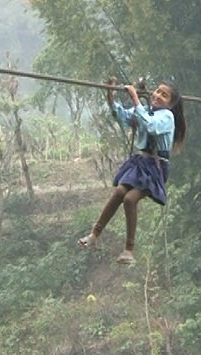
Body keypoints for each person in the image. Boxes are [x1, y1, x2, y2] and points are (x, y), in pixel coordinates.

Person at [77, 79, 186, 264]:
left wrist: (135, 98)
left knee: (129, 199)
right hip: (140, 163)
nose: (157, 96)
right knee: (119, 191)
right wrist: (111, 97)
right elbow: (124, 116)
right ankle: (94, 235)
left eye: (164, 95)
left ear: (171, 103)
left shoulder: (167, 116)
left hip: (155, 168)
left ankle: (129, 249)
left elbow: (150, 125)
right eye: (157, 92)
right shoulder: (146, 111)